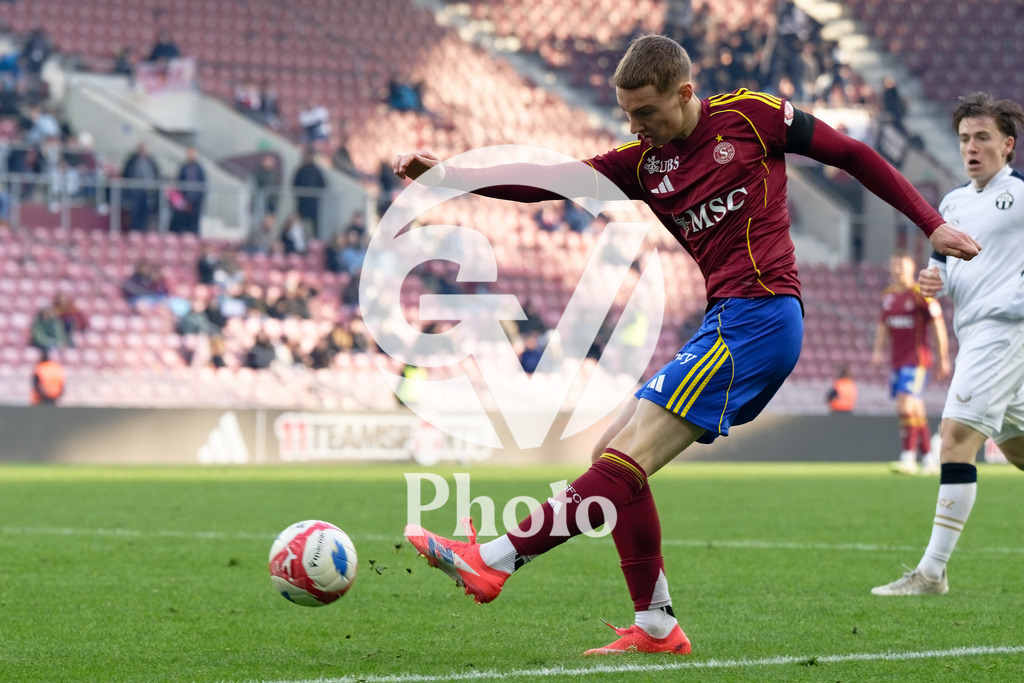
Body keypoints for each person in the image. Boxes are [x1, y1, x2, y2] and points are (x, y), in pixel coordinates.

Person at [393, 35, 980, 655]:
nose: (635, 126)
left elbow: (855, 155)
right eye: (626, 113)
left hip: (762, 317)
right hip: (723, 319)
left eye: (645, 112)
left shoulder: (752, 117)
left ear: (684, 92)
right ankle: (655, 624)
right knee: (610, 454)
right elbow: (551, 181)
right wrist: (451, 176)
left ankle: (495, 559)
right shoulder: (643, 163)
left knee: (625, 462)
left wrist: (931, 223)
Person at [872, 92, 1024, 597]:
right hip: (976, 331)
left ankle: (931, 573)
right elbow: (940, 272)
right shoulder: (954, 203)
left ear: (1008, 145)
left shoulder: (1020, 194)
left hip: (1006, 331)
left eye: (982, 138)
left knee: (955, 438)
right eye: (964, 139)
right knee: (1019, 449)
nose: (971, 148)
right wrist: (933, 282)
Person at [871, 252, 950, 474]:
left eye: (902, 267)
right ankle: (928, 460)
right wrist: (877, 351)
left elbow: (938, 325)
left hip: (917, 360)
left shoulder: (921, 295)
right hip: (897, 361)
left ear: (911, 269)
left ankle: (907, 458)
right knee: (915, 409)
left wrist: (943, 358)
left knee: (906, 405)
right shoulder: (888, 297)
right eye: (894, 267)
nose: (897, 271)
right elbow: (882, 326)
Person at [169, 146, 206, 234]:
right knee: (182, 222)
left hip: (196, 201)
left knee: (194, 223)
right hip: (184, 200)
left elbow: (203, 184)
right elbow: (179, 182)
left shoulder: (199, 169)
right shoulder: (183, 167)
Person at [292, 148, 326, 236]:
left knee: (314, 224)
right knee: (299, 224)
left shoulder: (316, 170)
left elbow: (323, 184)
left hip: (313, 203)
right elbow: (295, 184)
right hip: (302, 202)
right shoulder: (300, 170)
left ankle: (315, 240)